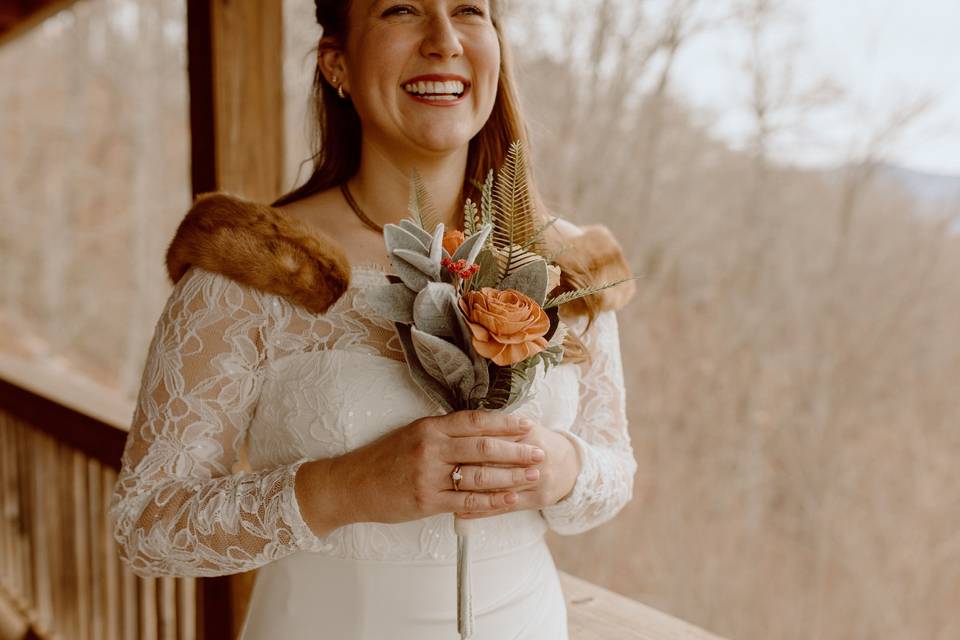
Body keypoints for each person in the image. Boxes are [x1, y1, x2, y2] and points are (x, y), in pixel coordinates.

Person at [109, 1, 638, 638]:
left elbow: (614, 470)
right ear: (338, 64)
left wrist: (563, 467)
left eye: (469, 9)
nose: (443, 41)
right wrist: (345, 488)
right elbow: (147, 528)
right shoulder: (249, 269)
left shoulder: (570, 268)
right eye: (401, 9)